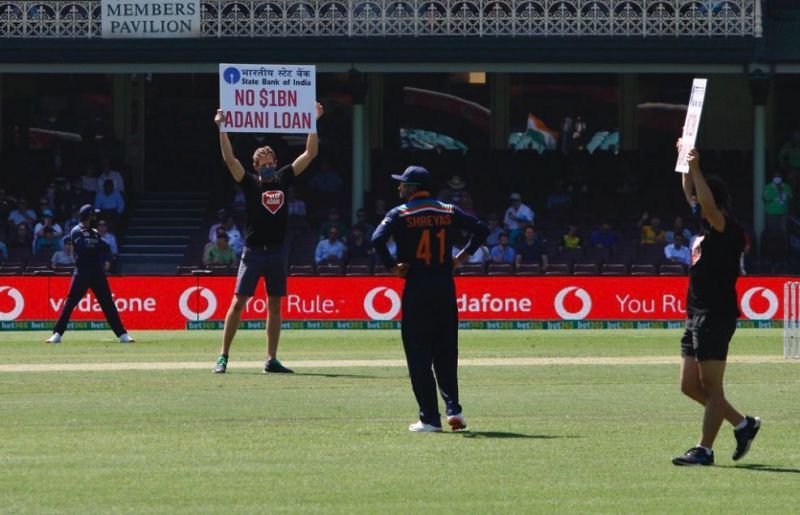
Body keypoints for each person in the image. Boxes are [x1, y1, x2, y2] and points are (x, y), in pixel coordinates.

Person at [372, 165, 489, 433]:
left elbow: (377, 239)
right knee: (447, 351)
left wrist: (392, 267)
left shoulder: (400, 213)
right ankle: (454, 410)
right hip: (444, 287)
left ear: (413, 188)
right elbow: (480, 229)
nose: (398, 187)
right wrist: (462, 257)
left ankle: (429, 418)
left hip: (417, 288)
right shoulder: (448, 210)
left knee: (418, 354)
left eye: (402, 184)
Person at [212, 102, 323, 374]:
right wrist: (222, 128)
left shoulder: (283, 178)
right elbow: (229, 160)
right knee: (238, 302)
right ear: (255, 166)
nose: (268, 168)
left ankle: (271, 359)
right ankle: (223, 356)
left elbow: (310, 153)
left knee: (275, 305)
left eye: (271, 164)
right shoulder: (249, 182)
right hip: (252, 251)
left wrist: (312, 121)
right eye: (263, 165)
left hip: (277, 251)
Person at [671, 143, 760, 466]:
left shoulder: (728, 229)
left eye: (700, 197)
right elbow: (690, 195)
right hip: (695, 315)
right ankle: (743, 424)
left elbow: (706, 205)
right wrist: (685, 160)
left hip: (715, 315)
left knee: (712, 386)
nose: (694, 202)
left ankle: (704, 450)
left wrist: (697, 168)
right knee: (689, 385)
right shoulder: (707, 227)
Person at [45, 204, 135, 344]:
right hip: (82, 273)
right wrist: (96, 248)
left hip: (97, 273)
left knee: (108, 304)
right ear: (88, 216)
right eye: (94, 215)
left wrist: (96, 249)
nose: (96, 218)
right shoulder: (76, 231)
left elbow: (105, 247)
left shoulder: (95, 232)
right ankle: (57, 334)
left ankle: (122, 334)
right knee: (70, 303)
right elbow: (83, 249)